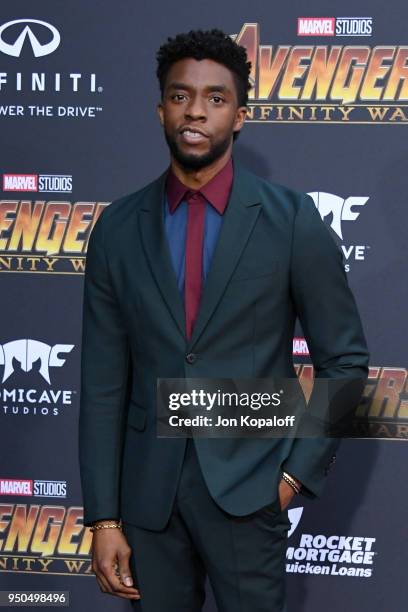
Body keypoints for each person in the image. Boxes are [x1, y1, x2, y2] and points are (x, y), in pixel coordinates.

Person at [79, 28, 369, 611]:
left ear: (240, 115)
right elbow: (103, 381)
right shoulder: (117, 227)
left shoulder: (291, 219)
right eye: (181, 95)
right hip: (146, 500)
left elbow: (345, 360)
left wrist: (291, 479)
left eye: (216, 99)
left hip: (249, 488)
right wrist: (104, 517)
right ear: (160, 107)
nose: (195, 112)